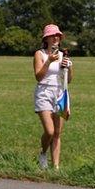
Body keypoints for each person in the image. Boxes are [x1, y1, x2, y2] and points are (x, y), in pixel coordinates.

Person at [33, 24, 73, 170]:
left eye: (58, 35)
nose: (56, 37)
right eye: (53, 35)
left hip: (60, 94)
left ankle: (56, 168)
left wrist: (69, 67)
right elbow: (38, 76)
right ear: (46, 38)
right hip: (44, 93)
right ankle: (43, 154)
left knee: (57, 133)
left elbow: (68, 80)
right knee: (49, 131)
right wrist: (49, 61)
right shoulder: (40, 54)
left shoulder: (64, 55)